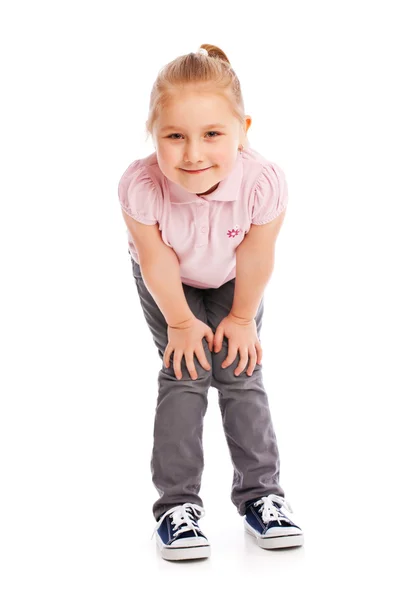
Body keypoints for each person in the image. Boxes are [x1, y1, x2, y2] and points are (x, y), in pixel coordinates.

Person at [117, 44, 304, 561]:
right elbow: (155, 261)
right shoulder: (141, 186)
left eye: (212, 134)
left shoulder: (262, 182)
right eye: (174, 136)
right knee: (185, 375)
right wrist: (180, 322)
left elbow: (258, 252)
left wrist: (242, 317)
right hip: (170, 282)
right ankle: (177, 508)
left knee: (241, 374)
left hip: (232, 278)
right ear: (153, 134)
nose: (193, 153)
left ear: (243, 129)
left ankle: (262, 495)